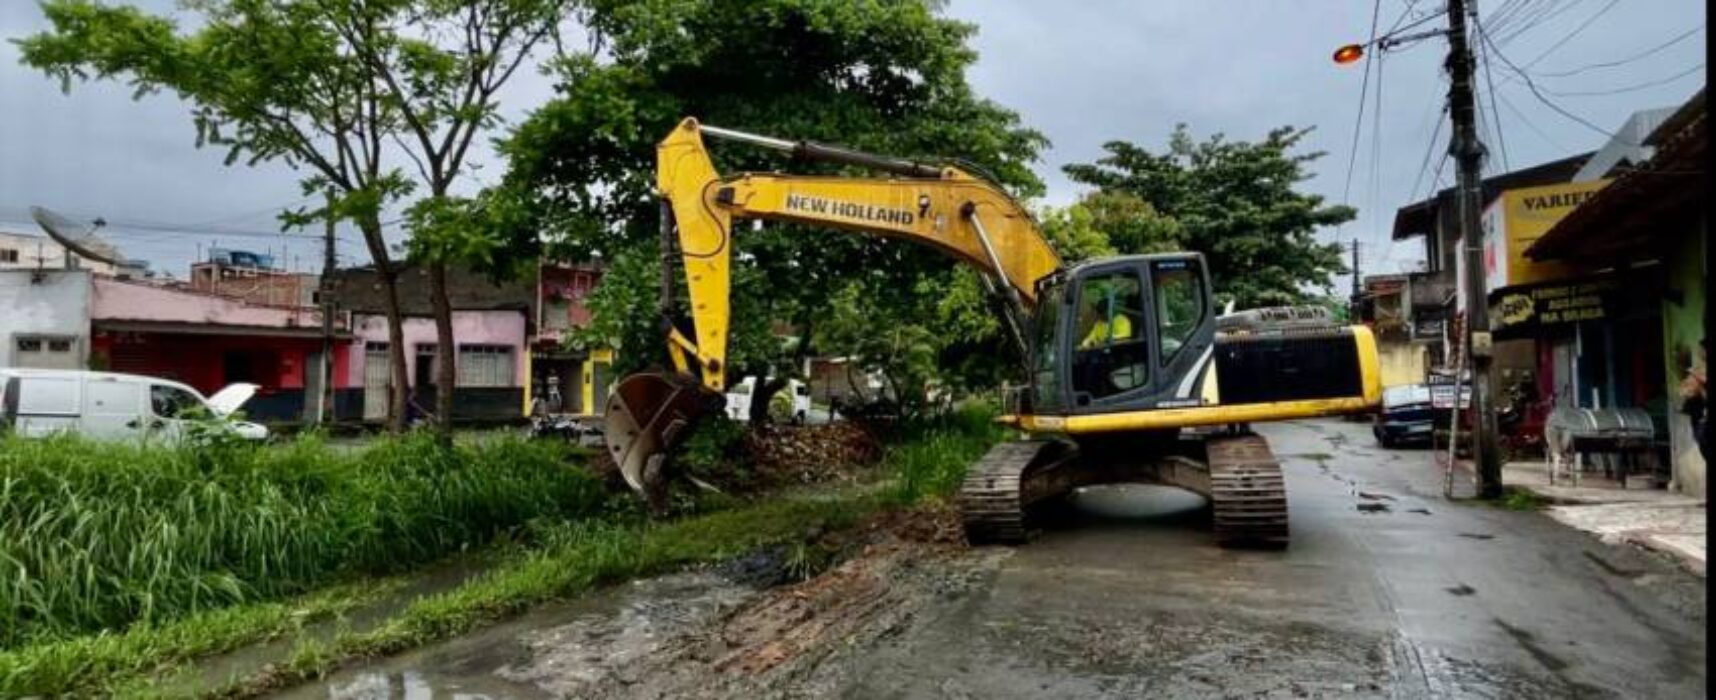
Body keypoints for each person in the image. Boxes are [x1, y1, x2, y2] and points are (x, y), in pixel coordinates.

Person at [1680, 338, 1708, 462]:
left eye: (1701, 350)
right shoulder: (1699, 369)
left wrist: (1697, 377)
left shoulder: (1699, 372)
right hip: (1699, 414)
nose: (1699, 353)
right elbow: (1684, 391)